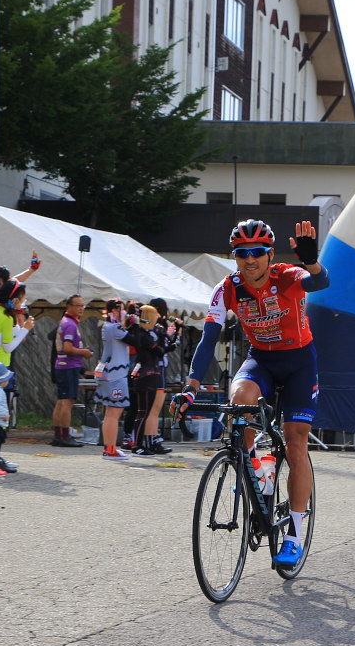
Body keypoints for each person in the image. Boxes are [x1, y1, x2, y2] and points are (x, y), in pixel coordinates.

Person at [171, 218, 328, 568]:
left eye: (258, 252)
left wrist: (311, 261)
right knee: (239, 401)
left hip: (300, 362)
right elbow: (208, 338)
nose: (250, 259)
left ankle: (294, 535)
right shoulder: (226, 288)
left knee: (295, 440)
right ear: (235, 257)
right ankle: (258, 469)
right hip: (261, 361)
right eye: (242, 253)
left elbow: (319, 281)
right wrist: (190, 389)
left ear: (270, 255)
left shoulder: (286, 275)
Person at [96, 299, 141, 461]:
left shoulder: (108, 326)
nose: (124, 313)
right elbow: (136, 341)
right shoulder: (115, 328)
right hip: (116, 373)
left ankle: (109, 448)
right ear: (114, 311)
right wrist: (135, 324)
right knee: (114, 413)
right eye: (121, 310)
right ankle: (111, 449)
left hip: (108, 371)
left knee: (110, 413)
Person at [49, 294, 92, 448]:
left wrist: (80, 350)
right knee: (67, 402)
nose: (81, 308)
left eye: (82, 305)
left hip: (63, 366)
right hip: (68, 366)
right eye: (78, 305)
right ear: (69, 306)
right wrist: (83, 353)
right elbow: (67, 348)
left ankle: (58, 435)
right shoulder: (70, 324)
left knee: (61, 401)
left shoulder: (67, 322)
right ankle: (65, 436)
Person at [129, 304, 172, 456]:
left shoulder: (142, 334)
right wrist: (162, 337)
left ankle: (139, 444)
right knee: (143, 413)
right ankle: (137, 445)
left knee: (143, 412)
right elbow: (160, 351)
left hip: (147, 375)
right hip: (146, 376)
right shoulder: (143, 336)